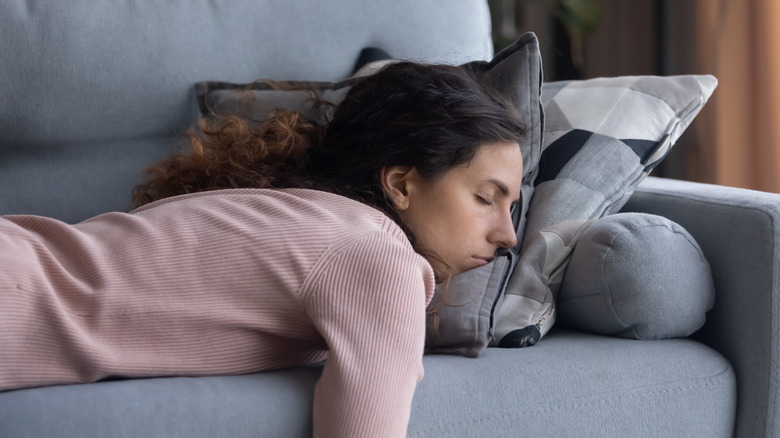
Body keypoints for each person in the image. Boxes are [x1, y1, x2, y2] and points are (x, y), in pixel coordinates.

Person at [0, 61, 526, 437]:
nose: (509, 237)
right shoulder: (376, 256)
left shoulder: (296, 215)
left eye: (512, 209)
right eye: (486, 198)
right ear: (402, 184)